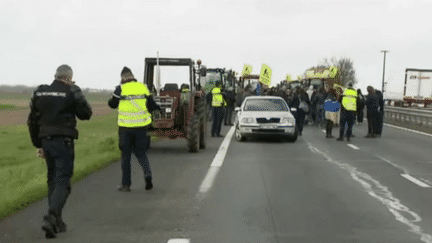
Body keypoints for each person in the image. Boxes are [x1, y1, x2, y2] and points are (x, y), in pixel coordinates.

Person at [27, 64, 93, 238]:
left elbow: (32, 120)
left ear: (55, 75)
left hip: (46, 141)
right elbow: (86, 114)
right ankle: (51, 217)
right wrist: (76, 91)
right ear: (69, 77)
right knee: (63, 181)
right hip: (64, 142)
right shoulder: (71, 91)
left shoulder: (40, 92)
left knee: (53, 181)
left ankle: (57, 222)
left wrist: (38, 144)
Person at [108, 67, 161, 192]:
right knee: (141, 153)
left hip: (126, 128)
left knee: (126, 156)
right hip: (142, 127)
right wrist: (158, 110)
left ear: (122, 78)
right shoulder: (143, 87)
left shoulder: (120, 89)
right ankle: (148, 176)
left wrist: (112, 101)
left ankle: (126, 185)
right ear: (133, 76)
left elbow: (113, 104)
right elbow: (151, 105)